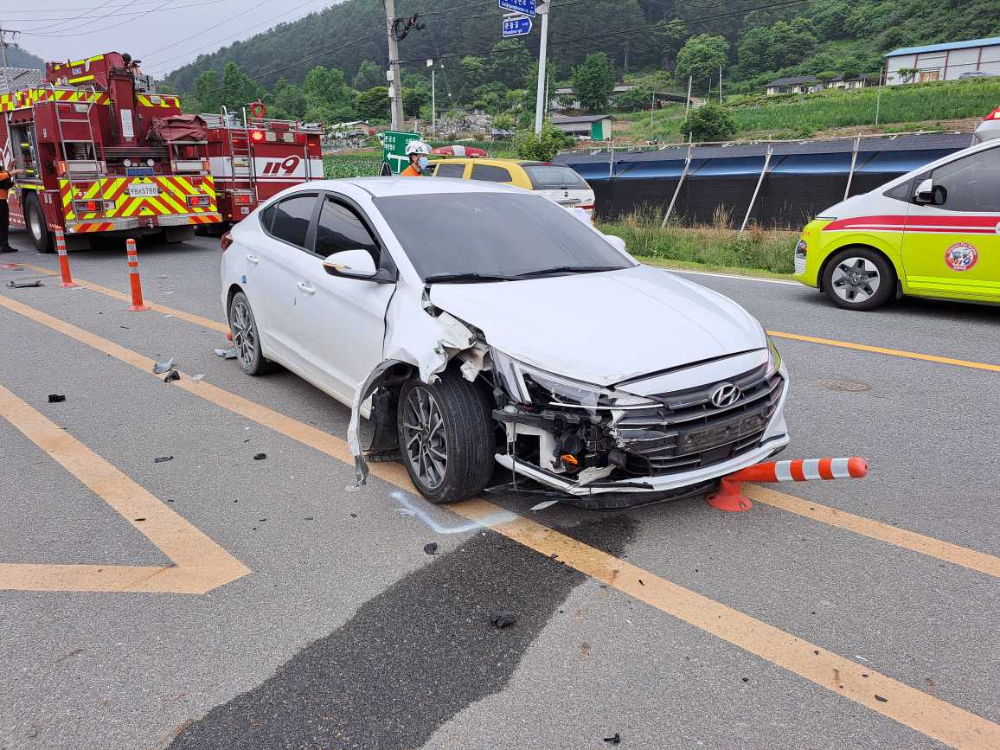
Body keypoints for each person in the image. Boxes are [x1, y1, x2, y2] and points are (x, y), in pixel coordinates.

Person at [0, 162, 28, 254]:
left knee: (4, 224)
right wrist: (16, 171)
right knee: (2, 224)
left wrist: (11, 167)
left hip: (2, 200)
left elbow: (5, 174)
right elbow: (3, 176)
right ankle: (4, 246)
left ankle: (4, 246)